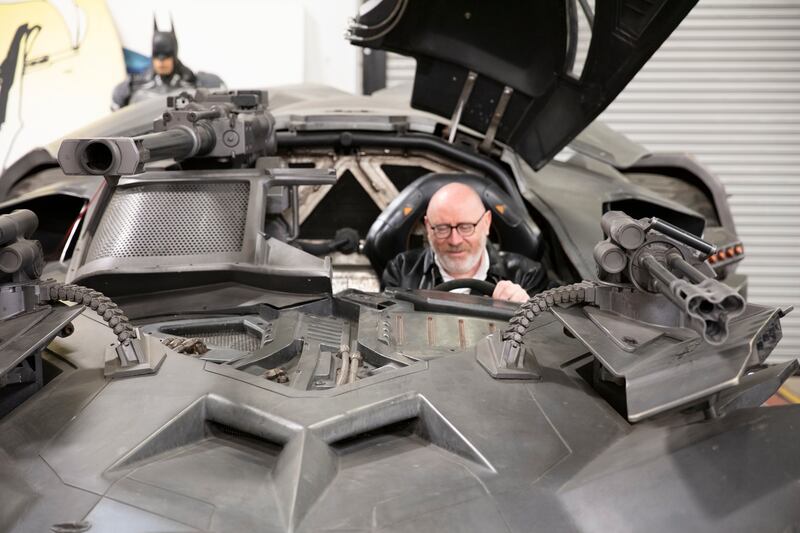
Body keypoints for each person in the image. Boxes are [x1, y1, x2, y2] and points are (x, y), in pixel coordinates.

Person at [381, 182, 547, 303]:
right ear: (428, 227)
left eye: (466, 227)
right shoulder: (402, 270)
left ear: (486, 223)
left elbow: (550, 340)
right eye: (442, 228)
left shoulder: (526, 275)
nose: (455, 240)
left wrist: (529, 308)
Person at [111, 19, 224, 110]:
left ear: (174, 56)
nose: (161, 62)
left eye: (166, 56)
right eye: (157, 56)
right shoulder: (132, 87)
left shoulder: (197, 83)